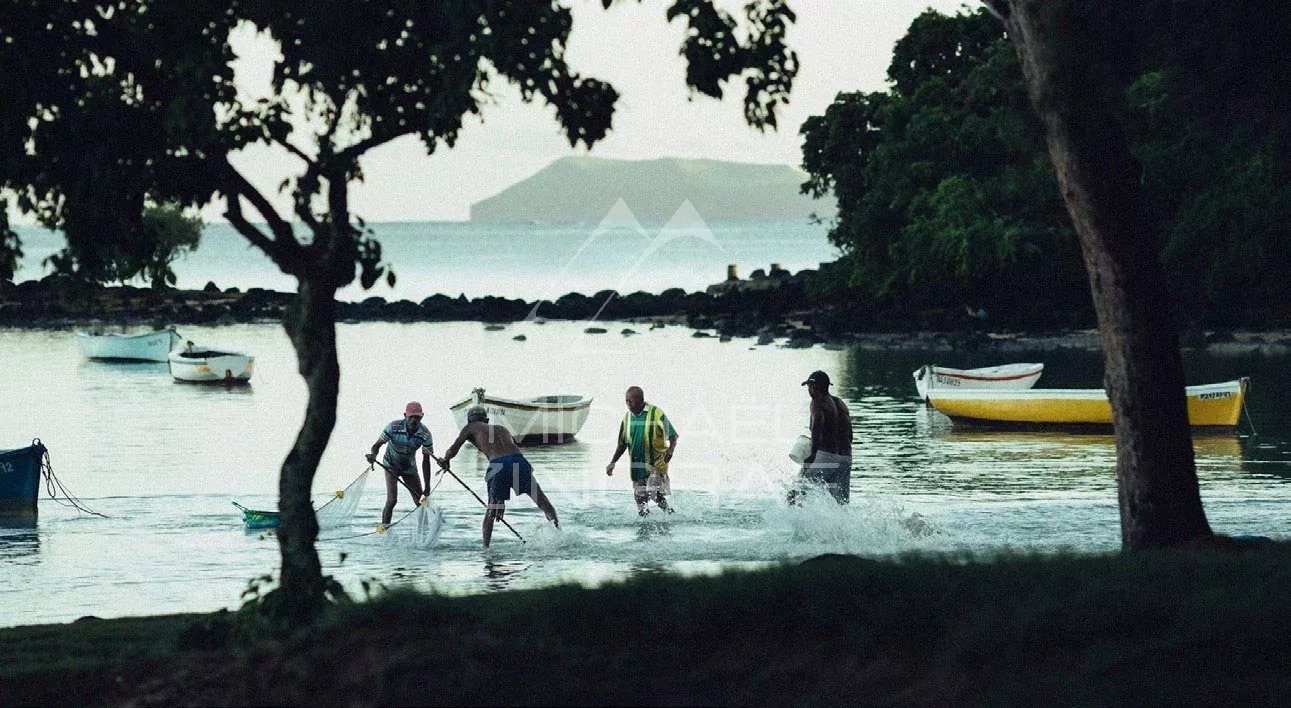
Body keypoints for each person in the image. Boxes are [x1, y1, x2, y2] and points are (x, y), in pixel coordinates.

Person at [437, 406, 558, 547]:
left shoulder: (470, 428)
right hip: (518, 460)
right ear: (487, 420)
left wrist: (445, 460)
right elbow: (510, 446)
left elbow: (454, 448)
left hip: (498, 464)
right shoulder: (502, 428)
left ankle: (485, 548)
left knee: (492, 509)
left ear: (469, 421)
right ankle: (559, 534)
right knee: (542, 501)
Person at [606, 386, 679, 516]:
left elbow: (673, 435)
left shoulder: (656, 413)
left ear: (641, 400)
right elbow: (622, 444)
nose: (628, 404)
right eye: (626, 401)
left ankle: (669, 515)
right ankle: (645, 526)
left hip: (656, 464)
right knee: (640, 499)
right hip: (637, 467)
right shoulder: (627, 418)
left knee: (654, 494)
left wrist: (670, 451)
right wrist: (612, 463)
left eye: (631, 401)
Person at [365, 401, 433, 526]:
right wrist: (373, 456)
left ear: (422, 417)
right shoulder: (393, 427)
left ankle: (424, 530)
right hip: (391, 465)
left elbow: (426, 461)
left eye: (417, 417)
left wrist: (427, 486)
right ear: (405, 416)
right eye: (411, 417)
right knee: (392, 500)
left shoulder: (425, 434)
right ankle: (384, 529)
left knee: (422, 501)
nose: (414, 420)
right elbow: (377, 445)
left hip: (409, 467)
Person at [791, 370, 853, 504]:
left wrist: (813, 455)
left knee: (795, 493)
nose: (809, 390)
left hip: (826, 456)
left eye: (809, 387)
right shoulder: (841, 404)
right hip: (846, 458)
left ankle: (790, 523)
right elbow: (850, 436)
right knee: (840, 504)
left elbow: (818, 425)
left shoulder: (817, 402)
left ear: (814, 387)